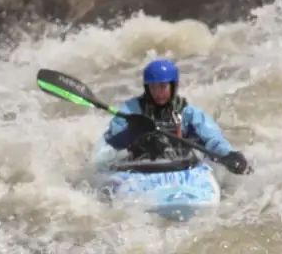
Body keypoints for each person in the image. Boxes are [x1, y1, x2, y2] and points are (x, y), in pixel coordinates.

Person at [96, 59, 252, 175]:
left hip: (180, 168)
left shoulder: (187, 113)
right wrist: (133, 132)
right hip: (139, 170)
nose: (158, 93)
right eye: (153, 87)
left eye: (163, 87)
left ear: (173, 86)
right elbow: (111, 142)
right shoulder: (131, 109)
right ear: (146, 88)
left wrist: (228, 155)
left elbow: (212, 139)